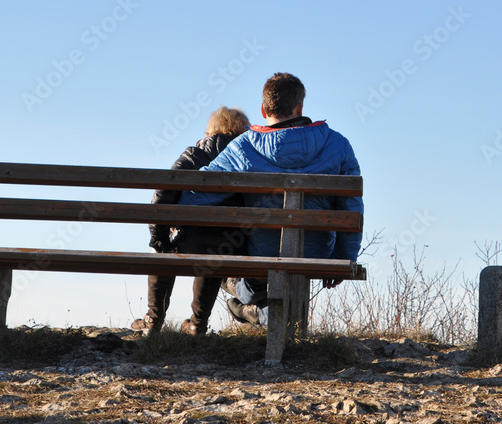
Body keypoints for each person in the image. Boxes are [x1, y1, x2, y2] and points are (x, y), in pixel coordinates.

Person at [180, 72, 363, 326]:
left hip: (264, 250)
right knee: (264, 284)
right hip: (318, 251)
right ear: (299, 106)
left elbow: (194, 196)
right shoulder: (338, 144)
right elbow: (351, 207)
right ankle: (261, 312)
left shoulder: (243, 147)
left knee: (239, 278)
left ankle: (251, 307)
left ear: (263, 109)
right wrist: (345, 257)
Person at [130, 106, 250, 336]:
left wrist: (159, 238)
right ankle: (197, 324)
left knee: (164, 253)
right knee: (214, 254)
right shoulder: (248, 158)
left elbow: (163, 194)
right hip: (233, 244)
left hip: (190, 240)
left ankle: (153, 321)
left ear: (211, 130)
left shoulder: (194, 154)